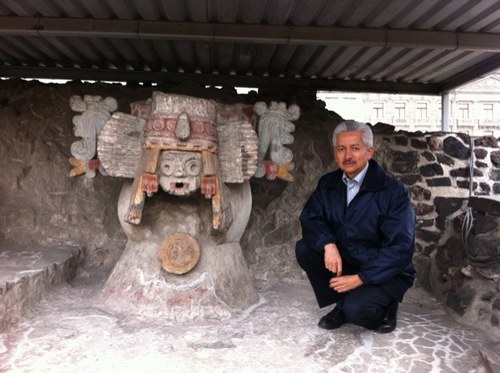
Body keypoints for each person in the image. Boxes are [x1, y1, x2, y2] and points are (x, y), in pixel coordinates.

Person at [295, 120, 415, 333]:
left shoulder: (394, 191)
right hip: (351, 260)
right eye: (341, 149)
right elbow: (310, 218)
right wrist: (328, 244)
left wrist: (361, 278)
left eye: (355, 148)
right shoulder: (328, 184)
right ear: (335, 153)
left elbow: (400, 247)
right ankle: (342, 303)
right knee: (305, 248)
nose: (347, 155)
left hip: (387, 271)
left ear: (370, 152)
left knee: (358, 312)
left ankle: (386, 305)